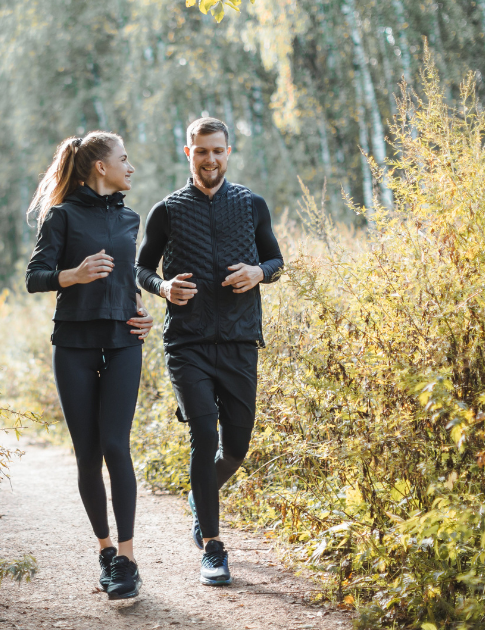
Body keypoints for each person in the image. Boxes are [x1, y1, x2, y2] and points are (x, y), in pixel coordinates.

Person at [135, 117, 283, 586]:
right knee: (204, 434)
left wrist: (260, 272)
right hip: (188, 343)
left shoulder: (251, 204)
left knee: (236, 446)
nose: (210, 159)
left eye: (218, 150)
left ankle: (202, 500)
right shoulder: (168, 210)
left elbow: (276, 259)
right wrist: (162, 287)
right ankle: (214, 549)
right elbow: (141, 268)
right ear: (188, 153)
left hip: (240, 341)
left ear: (228, 151)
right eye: (202, 151)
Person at [25, 131, 154, 600]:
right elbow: (34, 277)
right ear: (101, 166)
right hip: (75, 343)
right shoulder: (60, 217)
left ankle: (127, 559)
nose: (131, 166)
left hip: (123, 341)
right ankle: (104, 550)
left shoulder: (130, 218)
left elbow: (126, 280)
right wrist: (73, 275)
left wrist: (142, 310)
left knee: (116, 446)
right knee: (88, 453)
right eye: (125, 159)